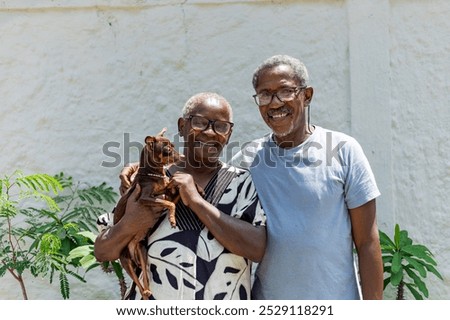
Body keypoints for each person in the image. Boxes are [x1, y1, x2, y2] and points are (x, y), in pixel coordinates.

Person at [230, 54, 383, 300]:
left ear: (307, 95)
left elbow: (367, 242)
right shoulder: (248, 159)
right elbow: (211, 195)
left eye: (285, 91)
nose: (274, 102)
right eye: (265, 94)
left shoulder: (343, 149)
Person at [94, 92, 266, 300]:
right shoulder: (150, 182)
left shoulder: (241, 183)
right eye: (200, 122)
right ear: (182, 126)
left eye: (221, 126)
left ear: (229, 134)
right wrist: (130, 223)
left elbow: (257, 249)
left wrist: (196, 201)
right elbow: (103, 252)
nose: (210, 132)